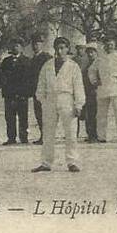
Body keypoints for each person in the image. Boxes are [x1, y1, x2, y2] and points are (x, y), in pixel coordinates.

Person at [31, 37, 86, 173]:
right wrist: (42, 99)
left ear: (67, 49)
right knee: (48, 132)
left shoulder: (73, 66)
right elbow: (41, 84)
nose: (60, 51)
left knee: (71, 133)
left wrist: (78, 104)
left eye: (63, 48)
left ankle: (72, 161)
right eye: (58, 48)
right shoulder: (47, 65)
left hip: (67, 99)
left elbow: (78, 87)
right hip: (50, 99)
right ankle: (46, 162)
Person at [88, 36, 117, 143]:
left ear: (115, 45)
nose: (109, 47)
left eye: (111, 44)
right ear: (104, 45)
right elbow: (91, 70)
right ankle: (101, 137)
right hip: (103, 88)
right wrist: (95, 81)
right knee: (101, 114)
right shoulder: (100, 58)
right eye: (107, 44)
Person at [0, 39, 31, 145]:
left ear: (21, 48)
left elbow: (28, 79)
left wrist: (25, 93)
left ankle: (24, 137)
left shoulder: (27, 61)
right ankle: (11, 138)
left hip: (22, 95)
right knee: (9, 117)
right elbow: (2, 78)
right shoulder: (6, 61)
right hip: (9, 94)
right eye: (13, 45)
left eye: (17, 45)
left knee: (23, 117)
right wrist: (6, 92)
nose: (15, 48)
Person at [28, 35, 52, 144]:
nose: (35, 46)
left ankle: (47, 136)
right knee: (38, 113)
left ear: (42, 44)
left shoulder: (47, 57)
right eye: (34, 44)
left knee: (46, 114)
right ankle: (43, 135)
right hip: (35, 90)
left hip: (46, 91)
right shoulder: (32, 59)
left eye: (38, 43)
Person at [80, 42, 100, 142]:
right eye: (88, 53)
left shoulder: (100, 64)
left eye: (92, 52)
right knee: (88, 114)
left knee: (95, 114)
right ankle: (90, 134)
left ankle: (95, 135)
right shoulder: (86, 65)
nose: (90, 54)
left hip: (96, 92)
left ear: (96, 53)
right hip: (87, 92)